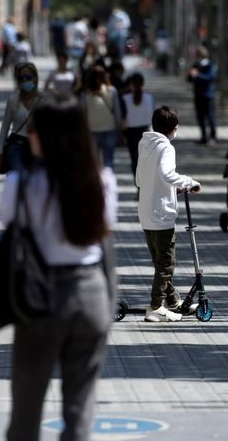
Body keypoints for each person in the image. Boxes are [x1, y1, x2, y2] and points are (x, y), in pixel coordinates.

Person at [0, 96, 117, 441]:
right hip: (90, 292)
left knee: (27, 403)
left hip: (41, 296)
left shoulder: (22, 185)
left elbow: (9, 225)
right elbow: (105, 242)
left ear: (45, 137)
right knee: (80, 406)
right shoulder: (103, 181)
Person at [136, 106, 201, 322]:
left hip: (146, 211)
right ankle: (155, 306)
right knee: (166, 263)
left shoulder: (145, 144)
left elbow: (140, 179)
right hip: (161, 213)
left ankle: (173, 301)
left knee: (159, 261)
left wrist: (169, 187)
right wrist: (189, 182)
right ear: (173, 128)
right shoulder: (166, 147)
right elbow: (166, 174)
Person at [0, 62, 41, 174]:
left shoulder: (43, 100)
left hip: (36, 146)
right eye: (21, 78)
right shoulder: (13, 100)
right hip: (16, 145)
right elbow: (4, 128)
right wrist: (0, 153)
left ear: (35, 78)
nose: (25, 80)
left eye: (28, 77)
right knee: (17, 177)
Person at [82, 65, 122, 171]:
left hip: (92, 131)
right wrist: (119, 130)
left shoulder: (86, 94)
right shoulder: (112, 91)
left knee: (93, 163)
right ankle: (109, 185)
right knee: (108, 162)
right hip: (110, 129)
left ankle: (96, 185)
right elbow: (117, 113)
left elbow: (83, 114)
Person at [122, 73, 155, 178]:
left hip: (130, 132)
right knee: (144, 161)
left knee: (134, 160)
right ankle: (144, 185)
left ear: (131, 84)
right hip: (145, 131)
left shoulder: (125, 98)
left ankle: (138, 184)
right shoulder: (149, 98)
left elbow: (123, 117)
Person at [188, 46, 218, 145]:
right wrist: (190, 74)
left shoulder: (210, 65)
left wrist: (197, 75)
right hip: (198, 94)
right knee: (200, 117)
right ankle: (204, 136)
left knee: (210, 116)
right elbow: (190, 79)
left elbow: (210, 78)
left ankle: (213, 137)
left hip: (208, 94)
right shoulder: (195, 65)